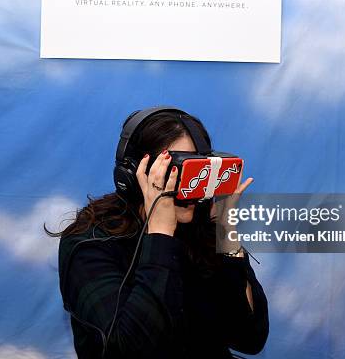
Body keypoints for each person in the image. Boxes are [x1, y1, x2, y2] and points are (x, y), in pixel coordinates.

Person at [55, 107, 269, 358]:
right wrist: (160, 235)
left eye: (199, 172)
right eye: (177, 171)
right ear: (136, 175)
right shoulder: (90, 243)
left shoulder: (203, 230)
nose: (192, 188)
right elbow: (129, 349)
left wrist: (226, 233)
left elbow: (250, 338)